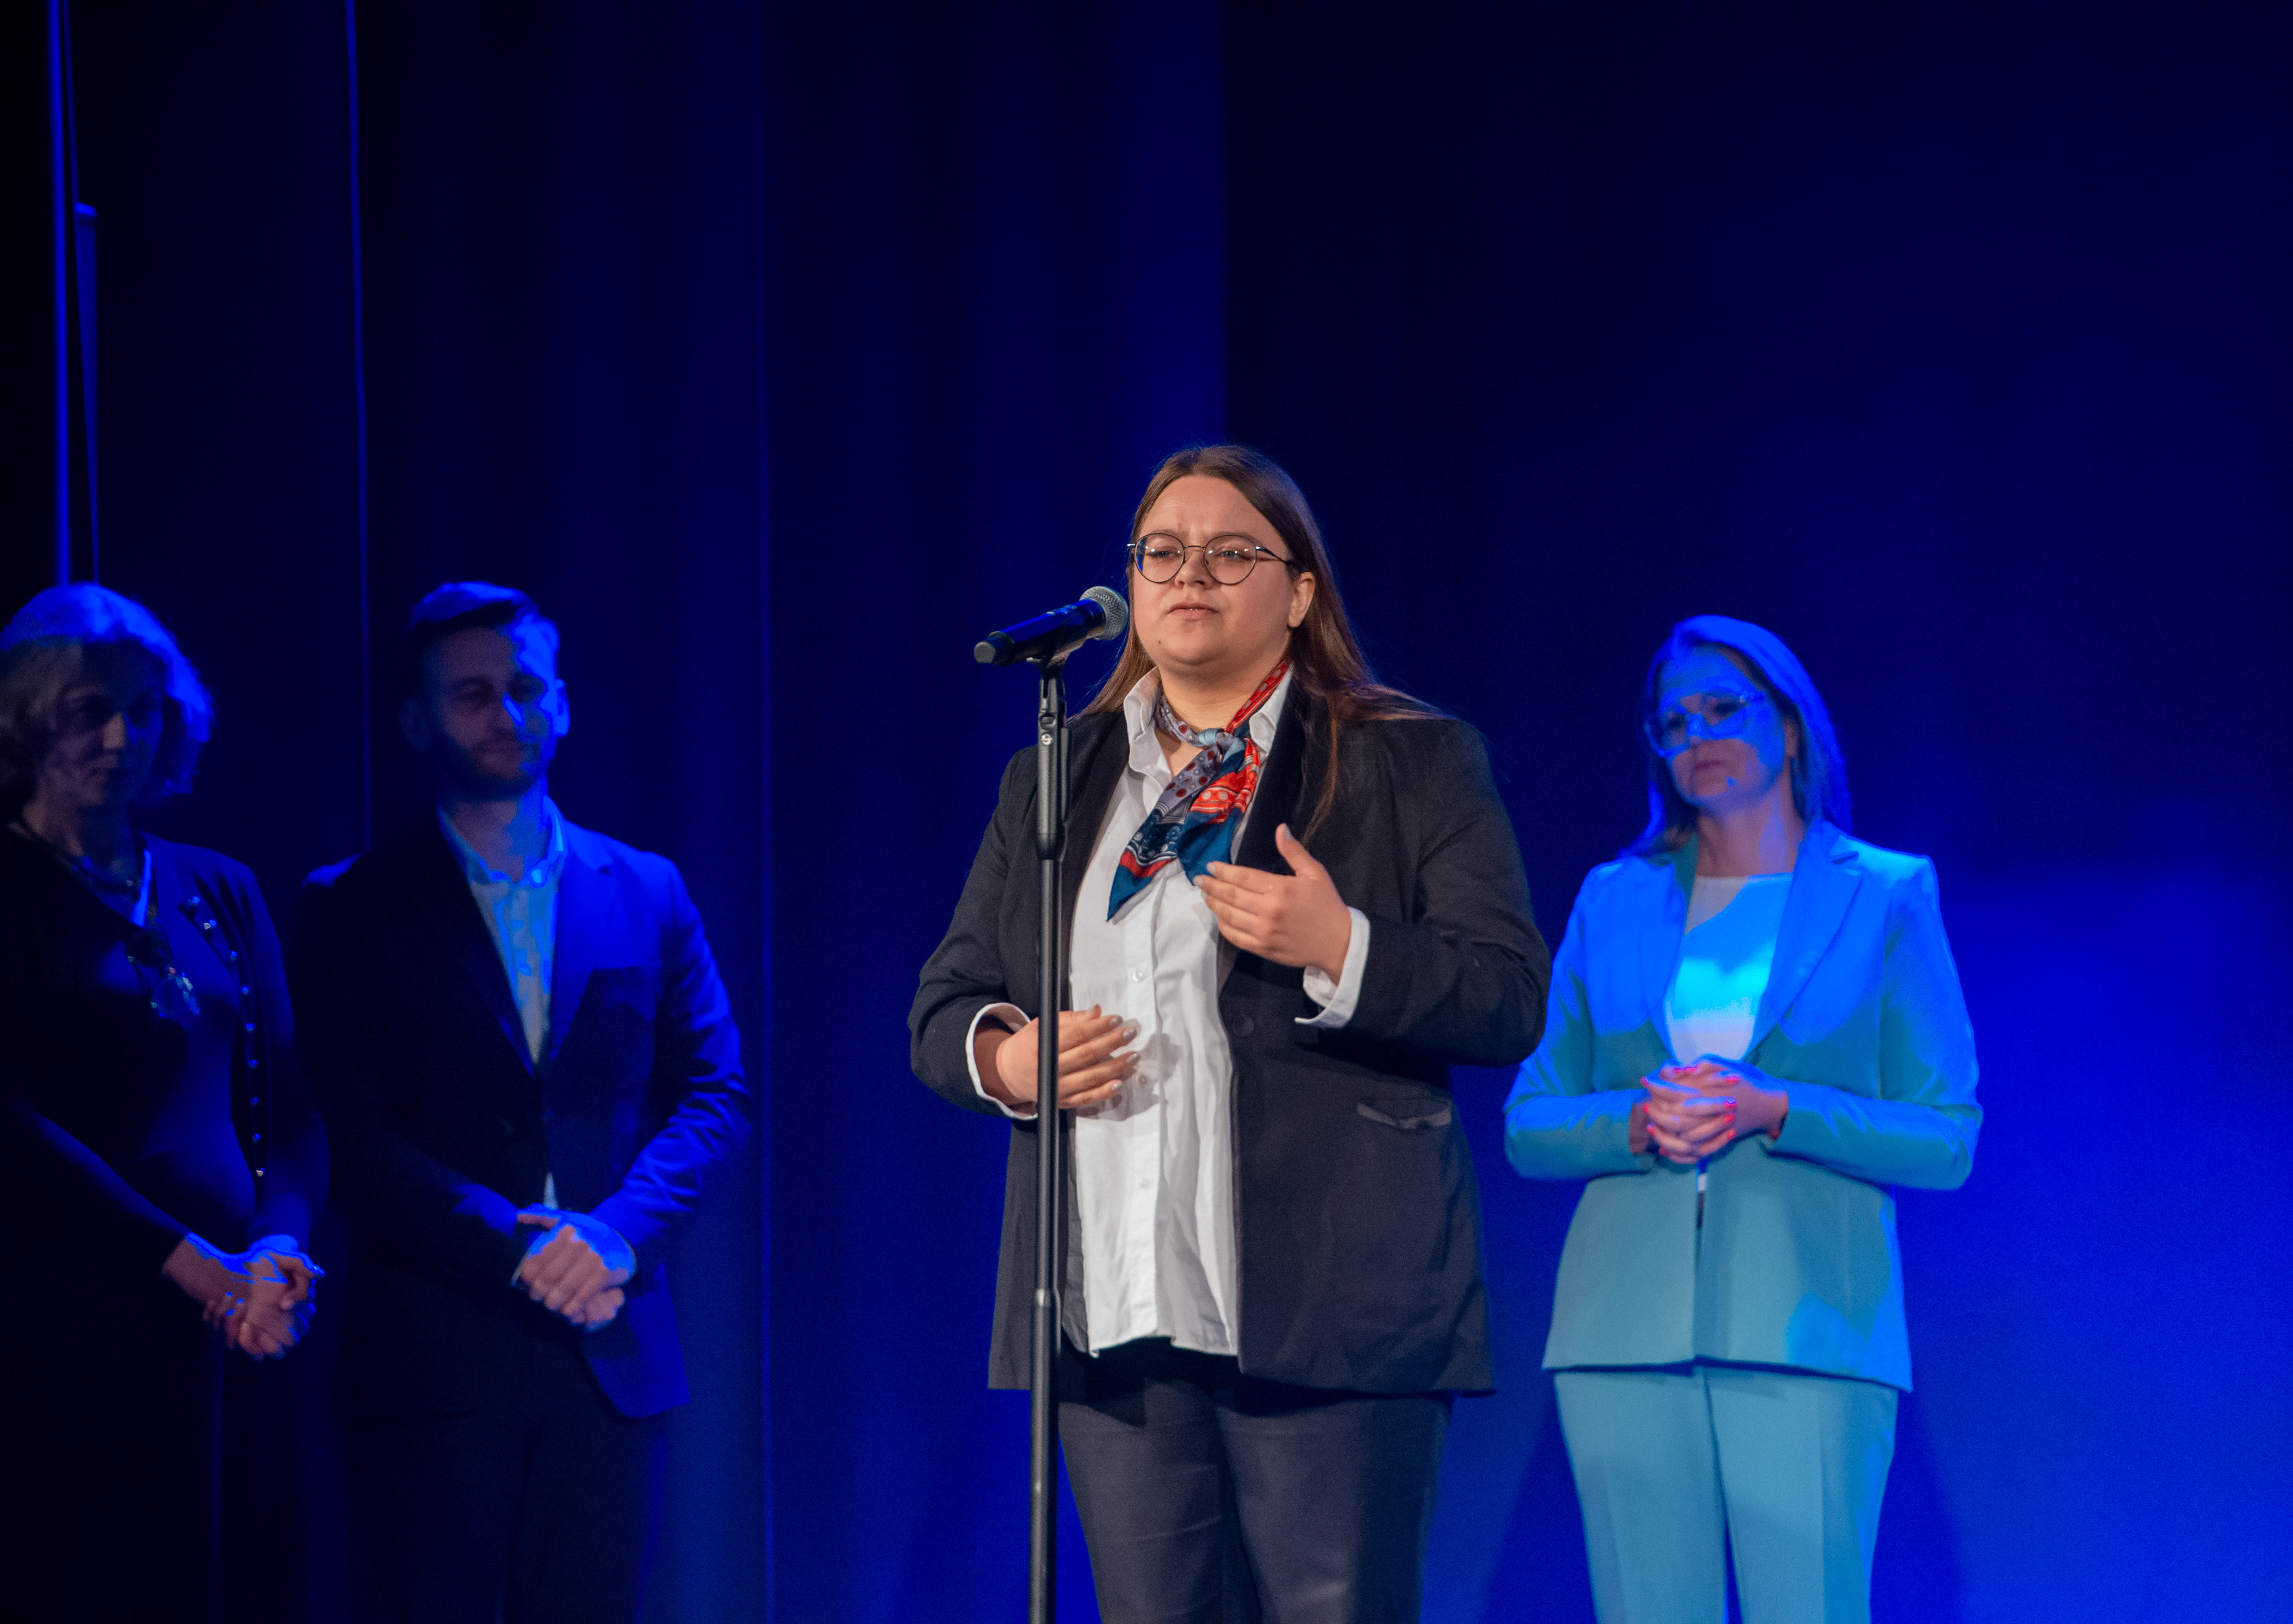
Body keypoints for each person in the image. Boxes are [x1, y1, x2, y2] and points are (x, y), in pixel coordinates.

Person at [910, 444, 1549, 1623]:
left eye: (1229, 551)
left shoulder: (1408, 759)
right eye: (1161, 552)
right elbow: (946, 1005)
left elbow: (1508, 995)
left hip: (1329, 1302)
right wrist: (1007, 1059)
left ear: (1299, 592)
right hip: (1113, 1304)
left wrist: (1342, 943)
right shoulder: (1057, 775)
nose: (1188, 574)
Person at [1503, 615, 1982, 1624]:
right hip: (1618, 1334)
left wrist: (1778, 1108)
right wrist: (1635, 1119)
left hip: (1809, 1330)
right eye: (1672, 721)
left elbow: (1946, 1134)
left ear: (1790, 726)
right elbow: (1529, 1120)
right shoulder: (1612, 897)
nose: (1697, 735)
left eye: (1723, 708)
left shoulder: (1885, 893)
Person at [291, 583, 753, 1623]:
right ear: (418, 720)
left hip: (611, 1349)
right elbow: (347, 1134)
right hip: (432, 1360)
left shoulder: (648, 888)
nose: (505, 713)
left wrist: (616, 1235)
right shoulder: (351, 904)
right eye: (471, 694)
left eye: (526, 688)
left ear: (564, 704)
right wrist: (518, 1244)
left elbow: (715, 1095)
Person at [0, 583, 324, 1622]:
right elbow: (13, 1129)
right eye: (88, 711)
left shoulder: (218, 886)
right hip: (74, 1334)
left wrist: (274, 1249)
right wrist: (192, 1265)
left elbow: (290, 1110)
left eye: (144, 712)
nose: (120, 738)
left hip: (232, 1329)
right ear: (26, 719)